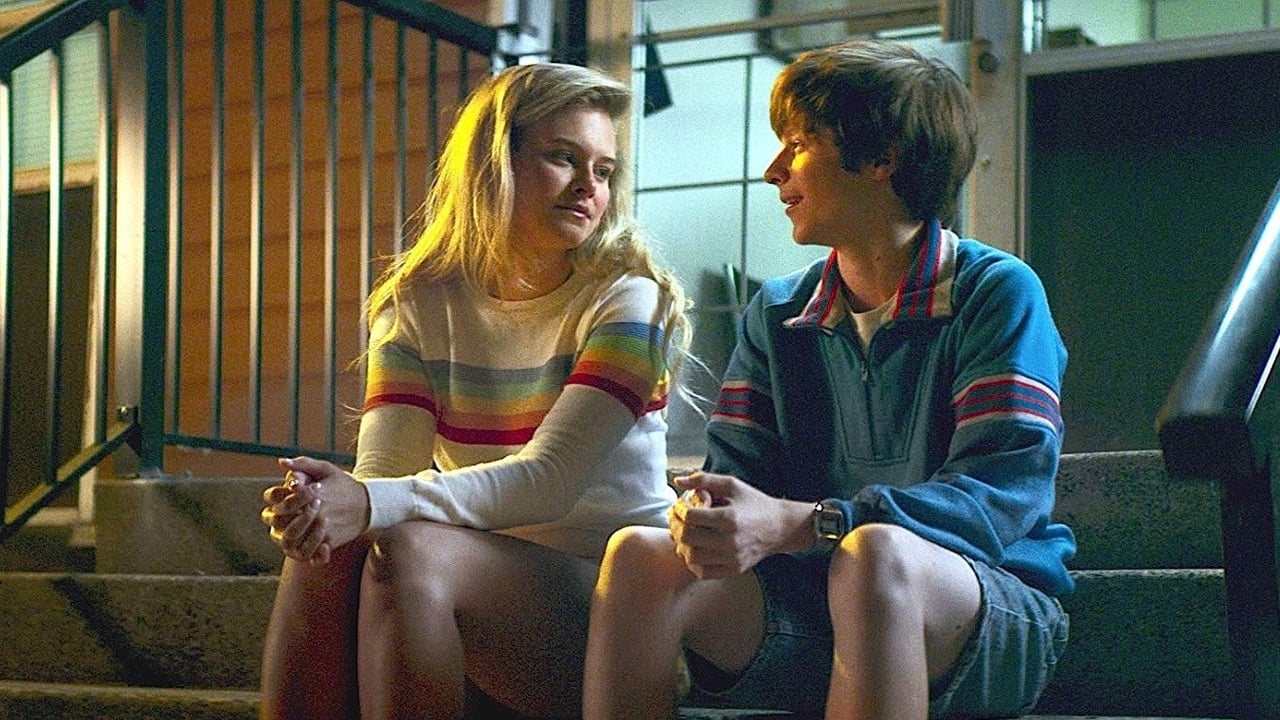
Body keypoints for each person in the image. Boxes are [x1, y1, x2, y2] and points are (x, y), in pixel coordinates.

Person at [582, 39, 1075, 720]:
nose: (773, 171)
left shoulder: (996, 292)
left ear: (881, 159)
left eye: (798, 144)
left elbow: (1000, 500)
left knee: (874, 556)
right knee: (639, 555)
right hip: (813, 609)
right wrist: (709, 515)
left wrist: (814, 523)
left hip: (984, 609)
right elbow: (740, 482)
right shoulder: (778, 310)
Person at [258, 61, 695, 720]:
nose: (589, 186)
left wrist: (365, 501)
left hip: (619, 608)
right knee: (327, 545)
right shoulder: (418, 303)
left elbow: (550, 480)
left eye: (604, 170)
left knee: (406, 546)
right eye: (563, 158)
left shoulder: (629, 298)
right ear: (494, 165)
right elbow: (385, 474)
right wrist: (322, 507)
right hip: (477, 580)